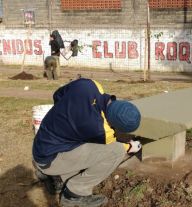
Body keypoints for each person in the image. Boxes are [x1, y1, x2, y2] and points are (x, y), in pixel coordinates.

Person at [32, 78, 142, 207]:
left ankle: (55, 176)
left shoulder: (88, 85)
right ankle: (75, 194)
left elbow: (58, 94)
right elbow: (116, 146)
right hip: (49, 160)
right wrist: (130, 147)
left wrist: (66, 115)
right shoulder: (100, 130)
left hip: (41, 145)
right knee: (116, 151)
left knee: (81, 144)